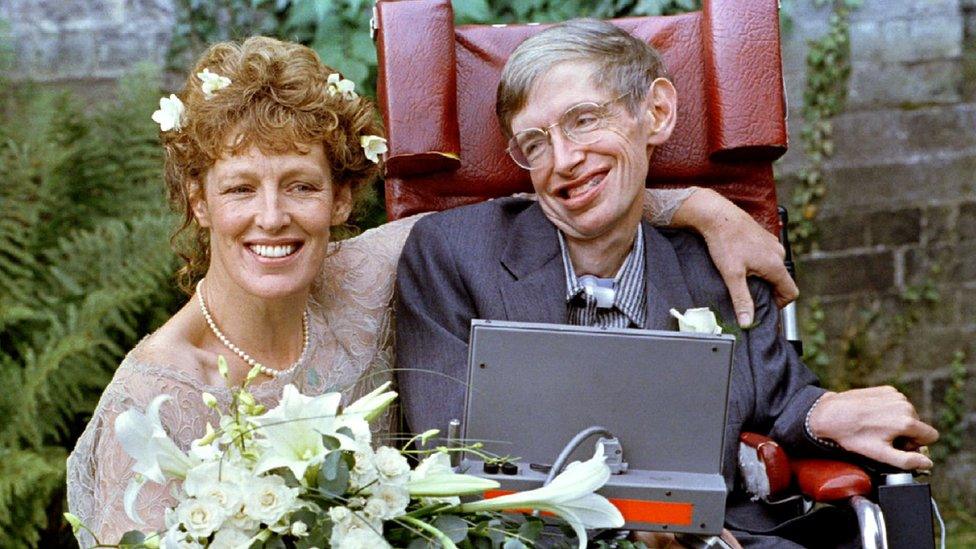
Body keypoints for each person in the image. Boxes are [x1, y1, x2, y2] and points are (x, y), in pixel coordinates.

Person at [65, 35, 796, 545]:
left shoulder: (371, 270)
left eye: (301, 186)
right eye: (239, 190)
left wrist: (702, 206)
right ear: (199, 202)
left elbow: (567, 203)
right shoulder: (155, 403)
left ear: (342, 201)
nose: (272, 217)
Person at [394, 19, 940, 547]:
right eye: (535, 143)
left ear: (655, 113)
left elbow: (776, 398)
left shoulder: (716, 264)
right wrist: (632, 526)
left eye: (584, 120)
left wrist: (824, 416)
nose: (564, 159)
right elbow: (449, 455)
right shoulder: (455, 255)